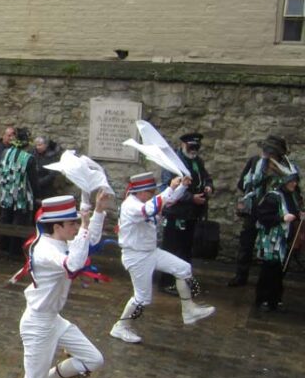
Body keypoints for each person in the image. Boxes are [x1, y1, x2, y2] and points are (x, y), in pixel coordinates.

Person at [7, 193, 111, 378]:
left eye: (76, 223)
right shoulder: (47, 249)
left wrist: (97, 212)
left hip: (53, 319)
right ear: (57, 226)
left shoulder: (59, 241)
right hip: (38, 325)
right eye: (72, 224)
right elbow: (75, 264)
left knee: (93, 360)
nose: (76, 228)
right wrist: (88, 223)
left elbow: (90, 245)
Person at [110, 173, 215, 344]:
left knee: (183, 268)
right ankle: (121, 326)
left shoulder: (144, 201)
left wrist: (182, 187)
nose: (152, 194)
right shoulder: (132, 205)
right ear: (141, 192)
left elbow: (168, 202)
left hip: (150, 252)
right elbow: (151, 208)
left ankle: (188, 310)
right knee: (142, 299)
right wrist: (171, 187)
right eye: (150, 191)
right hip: (136, 256)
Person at [229, 135, 288, 287]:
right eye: (267, 151)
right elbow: (242, 184)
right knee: (246, 243)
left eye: (272, 152)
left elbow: (289, 189)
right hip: (253, 209)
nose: (268, 155)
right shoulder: (255, 162)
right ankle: (240, 276)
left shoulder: (285, 167)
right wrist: (255, 184)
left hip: (272, 212)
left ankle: (267, 282)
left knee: (271, 245)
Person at [159, 133, 213, 294]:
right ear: (183, 144)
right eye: (191, 147)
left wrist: (209, 187)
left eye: (196, 147)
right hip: (176, 213)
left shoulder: (198, 161)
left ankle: (182, 280)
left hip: (192, 214)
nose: (194, 150)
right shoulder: (173, 162)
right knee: (171, 248)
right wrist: (191, 198)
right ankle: (166, 282)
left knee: (186, 248)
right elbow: (168, 187)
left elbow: (206, 177)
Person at [254, 164, 303, 312]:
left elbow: (293, 212)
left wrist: (299, 215)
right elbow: (263, 217)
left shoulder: (291, 196)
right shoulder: (272, 197)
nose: (294, 183)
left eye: (295, 181)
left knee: (279, 270)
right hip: (271, 240)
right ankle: (263, 298)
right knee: (269, 269)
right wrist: (281, 218)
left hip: (283, 240)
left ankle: (274, 298)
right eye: (291, 181)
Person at [0, 128, 38, 256]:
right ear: (27, 143)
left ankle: (3, 246)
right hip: (21, 195)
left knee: (5, 218)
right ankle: (14, 250)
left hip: (5, 192)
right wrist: (37, 196)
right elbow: (33, 180)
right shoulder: (29, 158)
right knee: (19, 221)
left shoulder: (5, 153)